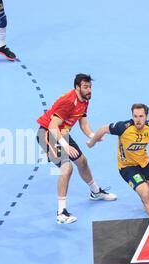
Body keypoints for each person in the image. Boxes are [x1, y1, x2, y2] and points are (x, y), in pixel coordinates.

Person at [87, 103, 149, 241]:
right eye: (135, 116)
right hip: (127, 167)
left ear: (146, 116)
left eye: (141, 116)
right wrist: (92, 142)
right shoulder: (123, 127)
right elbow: (103, 129)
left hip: (144, 162)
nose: (138, 119)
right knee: (144, 194)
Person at [36, 74, 117, 224]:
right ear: (77, 88)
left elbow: (83, 124)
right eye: (85, 87)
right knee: (67, 167)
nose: (89, 90)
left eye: (90, 87)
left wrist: (93, 136)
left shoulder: (85, 100)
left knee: (82, 162)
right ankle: (61, 213)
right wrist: (65, 146)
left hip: (62, 134)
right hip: (47, 134)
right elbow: (53, 126)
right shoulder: (68, 101)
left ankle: (95, 192)